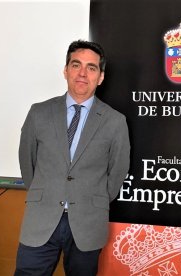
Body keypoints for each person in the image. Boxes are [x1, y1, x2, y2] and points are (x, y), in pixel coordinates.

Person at [15, 40, 130, 275]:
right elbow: (28, 162)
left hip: (88, 222)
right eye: (76, 65)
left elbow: (117, 171)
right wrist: (45, 192)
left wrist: (91, 200)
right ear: (66, 70)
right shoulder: (39, 113)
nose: (82, 73)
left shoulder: (115, 121)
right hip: (41, 218)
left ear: (100, 77)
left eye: (91, 67)